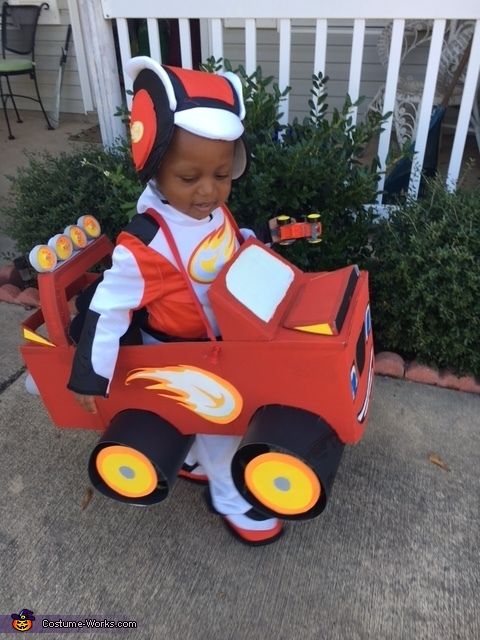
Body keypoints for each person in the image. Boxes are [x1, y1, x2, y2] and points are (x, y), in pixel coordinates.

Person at [67, 56, 283, 546]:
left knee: (232, 409)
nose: (209, 190)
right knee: (225, 422)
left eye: (222, 175)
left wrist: (257, 240)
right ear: (155, 163)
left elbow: (224, 246)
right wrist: (91, 375)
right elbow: (108, 307)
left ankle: (187, 456)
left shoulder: (211, 213)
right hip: (182, 353)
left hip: (224, 338)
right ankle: (231, 498)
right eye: (189, 178)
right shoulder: (147, 244)